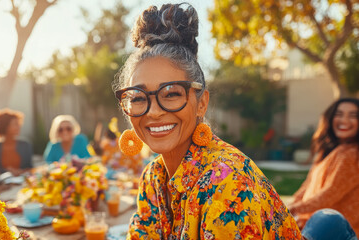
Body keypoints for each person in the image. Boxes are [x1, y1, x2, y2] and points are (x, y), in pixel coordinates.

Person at [113, 3, 301, 239]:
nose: (153, 112)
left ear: (201, 103)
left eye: (171, 93)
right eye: (139, 97)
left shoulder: (228, 182)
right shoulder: (153, 176)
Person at [289, 98, 359, 235]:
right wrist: (290, 207)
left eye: (353, 116)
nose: (344, 120)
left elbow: (329, 194)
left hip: (335, 231)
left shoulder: (352, 154)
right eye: (339, 114)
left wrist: (292, 209)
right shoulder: (329, 151)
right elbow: (306, 187)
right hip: (313, 226)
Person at [0, 108, 33, 176]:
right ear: (5, 126)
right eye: (15, 124)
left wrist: (20, 171)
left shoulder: (25, 145)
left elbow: (30, 168)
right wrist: (6, 171)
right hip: (3, 184)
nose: (18, 127)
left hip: (23, 181)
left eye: (18, 124)